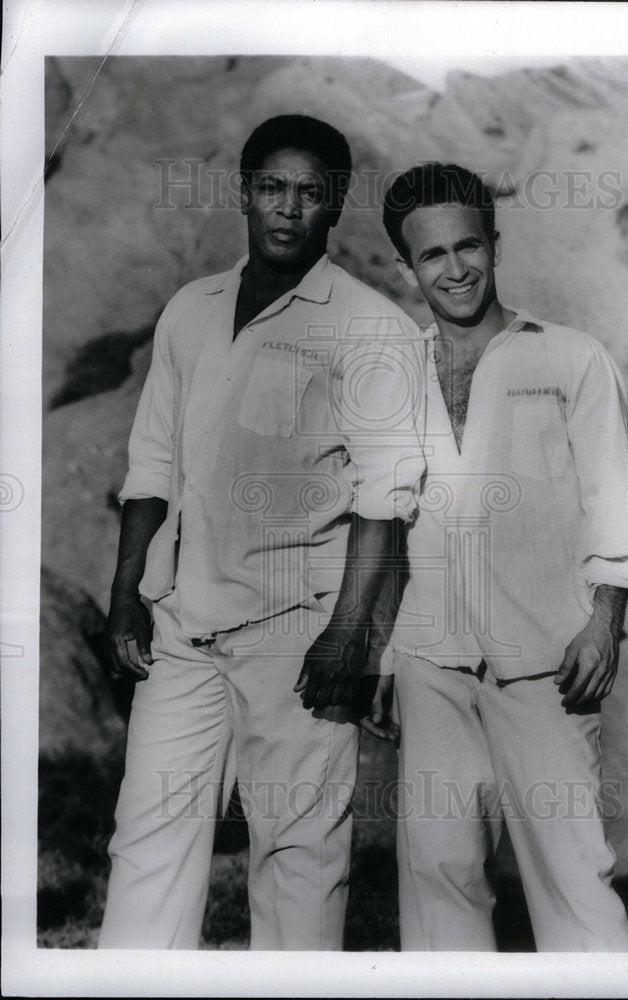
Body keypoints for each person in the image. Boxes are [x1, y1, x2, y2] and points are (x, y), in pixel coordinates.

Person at [98, 115, 424, 950]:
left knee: (299, 855)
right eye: (272, 188)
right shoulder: (192, 308)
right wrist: (126, 598)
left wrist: (346, 637)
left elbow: (385, 498)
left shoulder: (369, 326)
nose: (287, 210)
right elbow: (152, 467)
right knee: (147, 842)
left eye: (309, 193)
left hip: (299, 630)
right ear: (244, 192)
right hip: (181, 625)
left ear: (334, 205)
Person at [378, 162, 628, 952]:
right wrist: (376, 652)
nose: (454, 268)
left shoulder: (571, 358)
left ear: (494, 246)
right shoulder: (392, 374)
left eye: (468, 246)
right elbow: (378, 520)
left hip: (545, 663)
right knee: (438, 882)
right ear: (407, 266)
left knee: (574, 881)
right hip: (429, 662)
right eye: (431, 255)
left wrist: (603, 623)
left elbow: (613, 504)